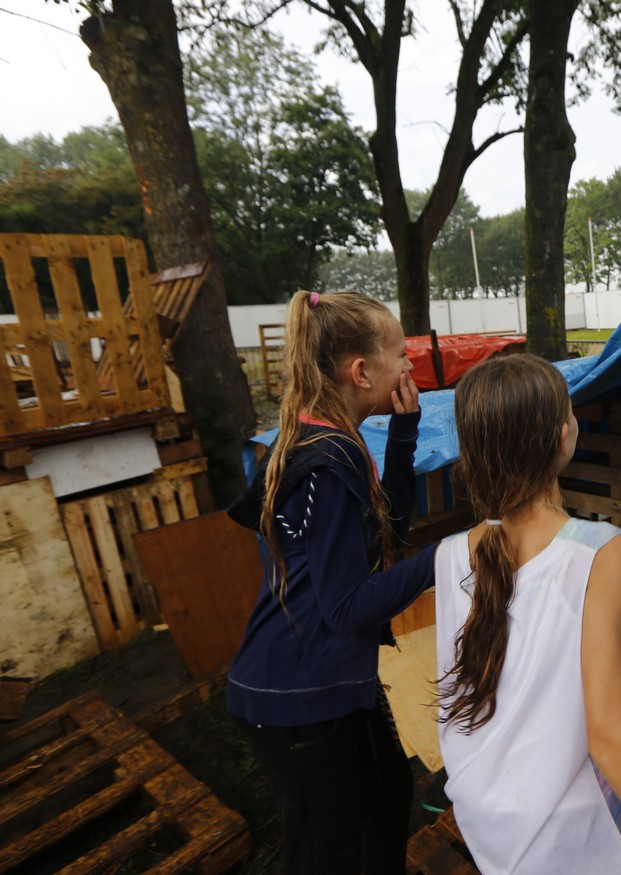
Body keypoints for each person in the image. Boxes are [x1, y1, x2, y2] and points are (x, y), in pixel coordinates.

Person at [435, 354, 621, 875]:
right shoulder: (600, 549)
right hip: (567, 834)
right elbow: (611, 740)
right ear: (563, 437)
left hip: (484, 816)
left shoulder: (449, 552)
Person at [225, 290, 435, 874]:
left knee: (387, 805)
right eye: (401, 354)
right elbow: (347, 608)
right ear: (361, 372)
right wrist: (447, 556)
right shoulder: (328, 457)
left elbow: (388, 529)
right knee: (329, 854)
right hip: (297, 692)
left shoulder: (327, 435)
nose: (409, 365)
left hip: (327, 677)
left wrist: (405, 432)